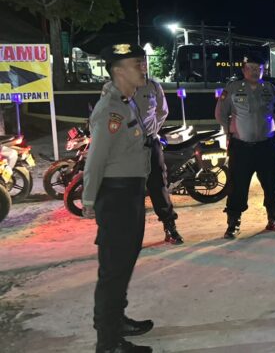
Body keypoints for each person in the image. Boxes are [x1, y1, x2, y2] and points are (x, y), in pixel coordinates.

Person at [82, 43, 154, 353]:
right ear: (118, 70)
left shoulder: (127, 103)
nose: (143, 67)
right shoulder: (109, 110)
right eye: (137, 63)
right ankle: (108, 342)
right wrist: (88, 200)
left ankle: (116, 321)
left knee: (123, 265)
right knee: (113, 270)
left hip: (130, 194)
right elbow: (96, 159)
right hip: (116, 197)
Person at [102, 68, 183, 245]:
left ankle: (170, 226)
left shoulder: (153, 86)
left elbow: (162, 111)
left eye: (142, 62)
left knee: (158, 186)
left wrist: (152, 130)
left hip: (150, 144)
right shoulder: (112, 88)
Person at [215, 50, 275, 239]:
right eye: (251, 68)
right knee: (237, 186)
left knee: (272, 184)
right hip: (241, 148)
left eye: (258, 68)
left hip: (266, 146)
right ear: (244, 69)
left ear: (264, 70)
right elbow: (220, 114)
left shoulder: (271, 89)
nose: (255, 71)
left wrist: (267, 127)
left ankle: (274, 218)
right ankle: (233, 223)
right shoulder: (233, 88)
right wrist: (230, 130)